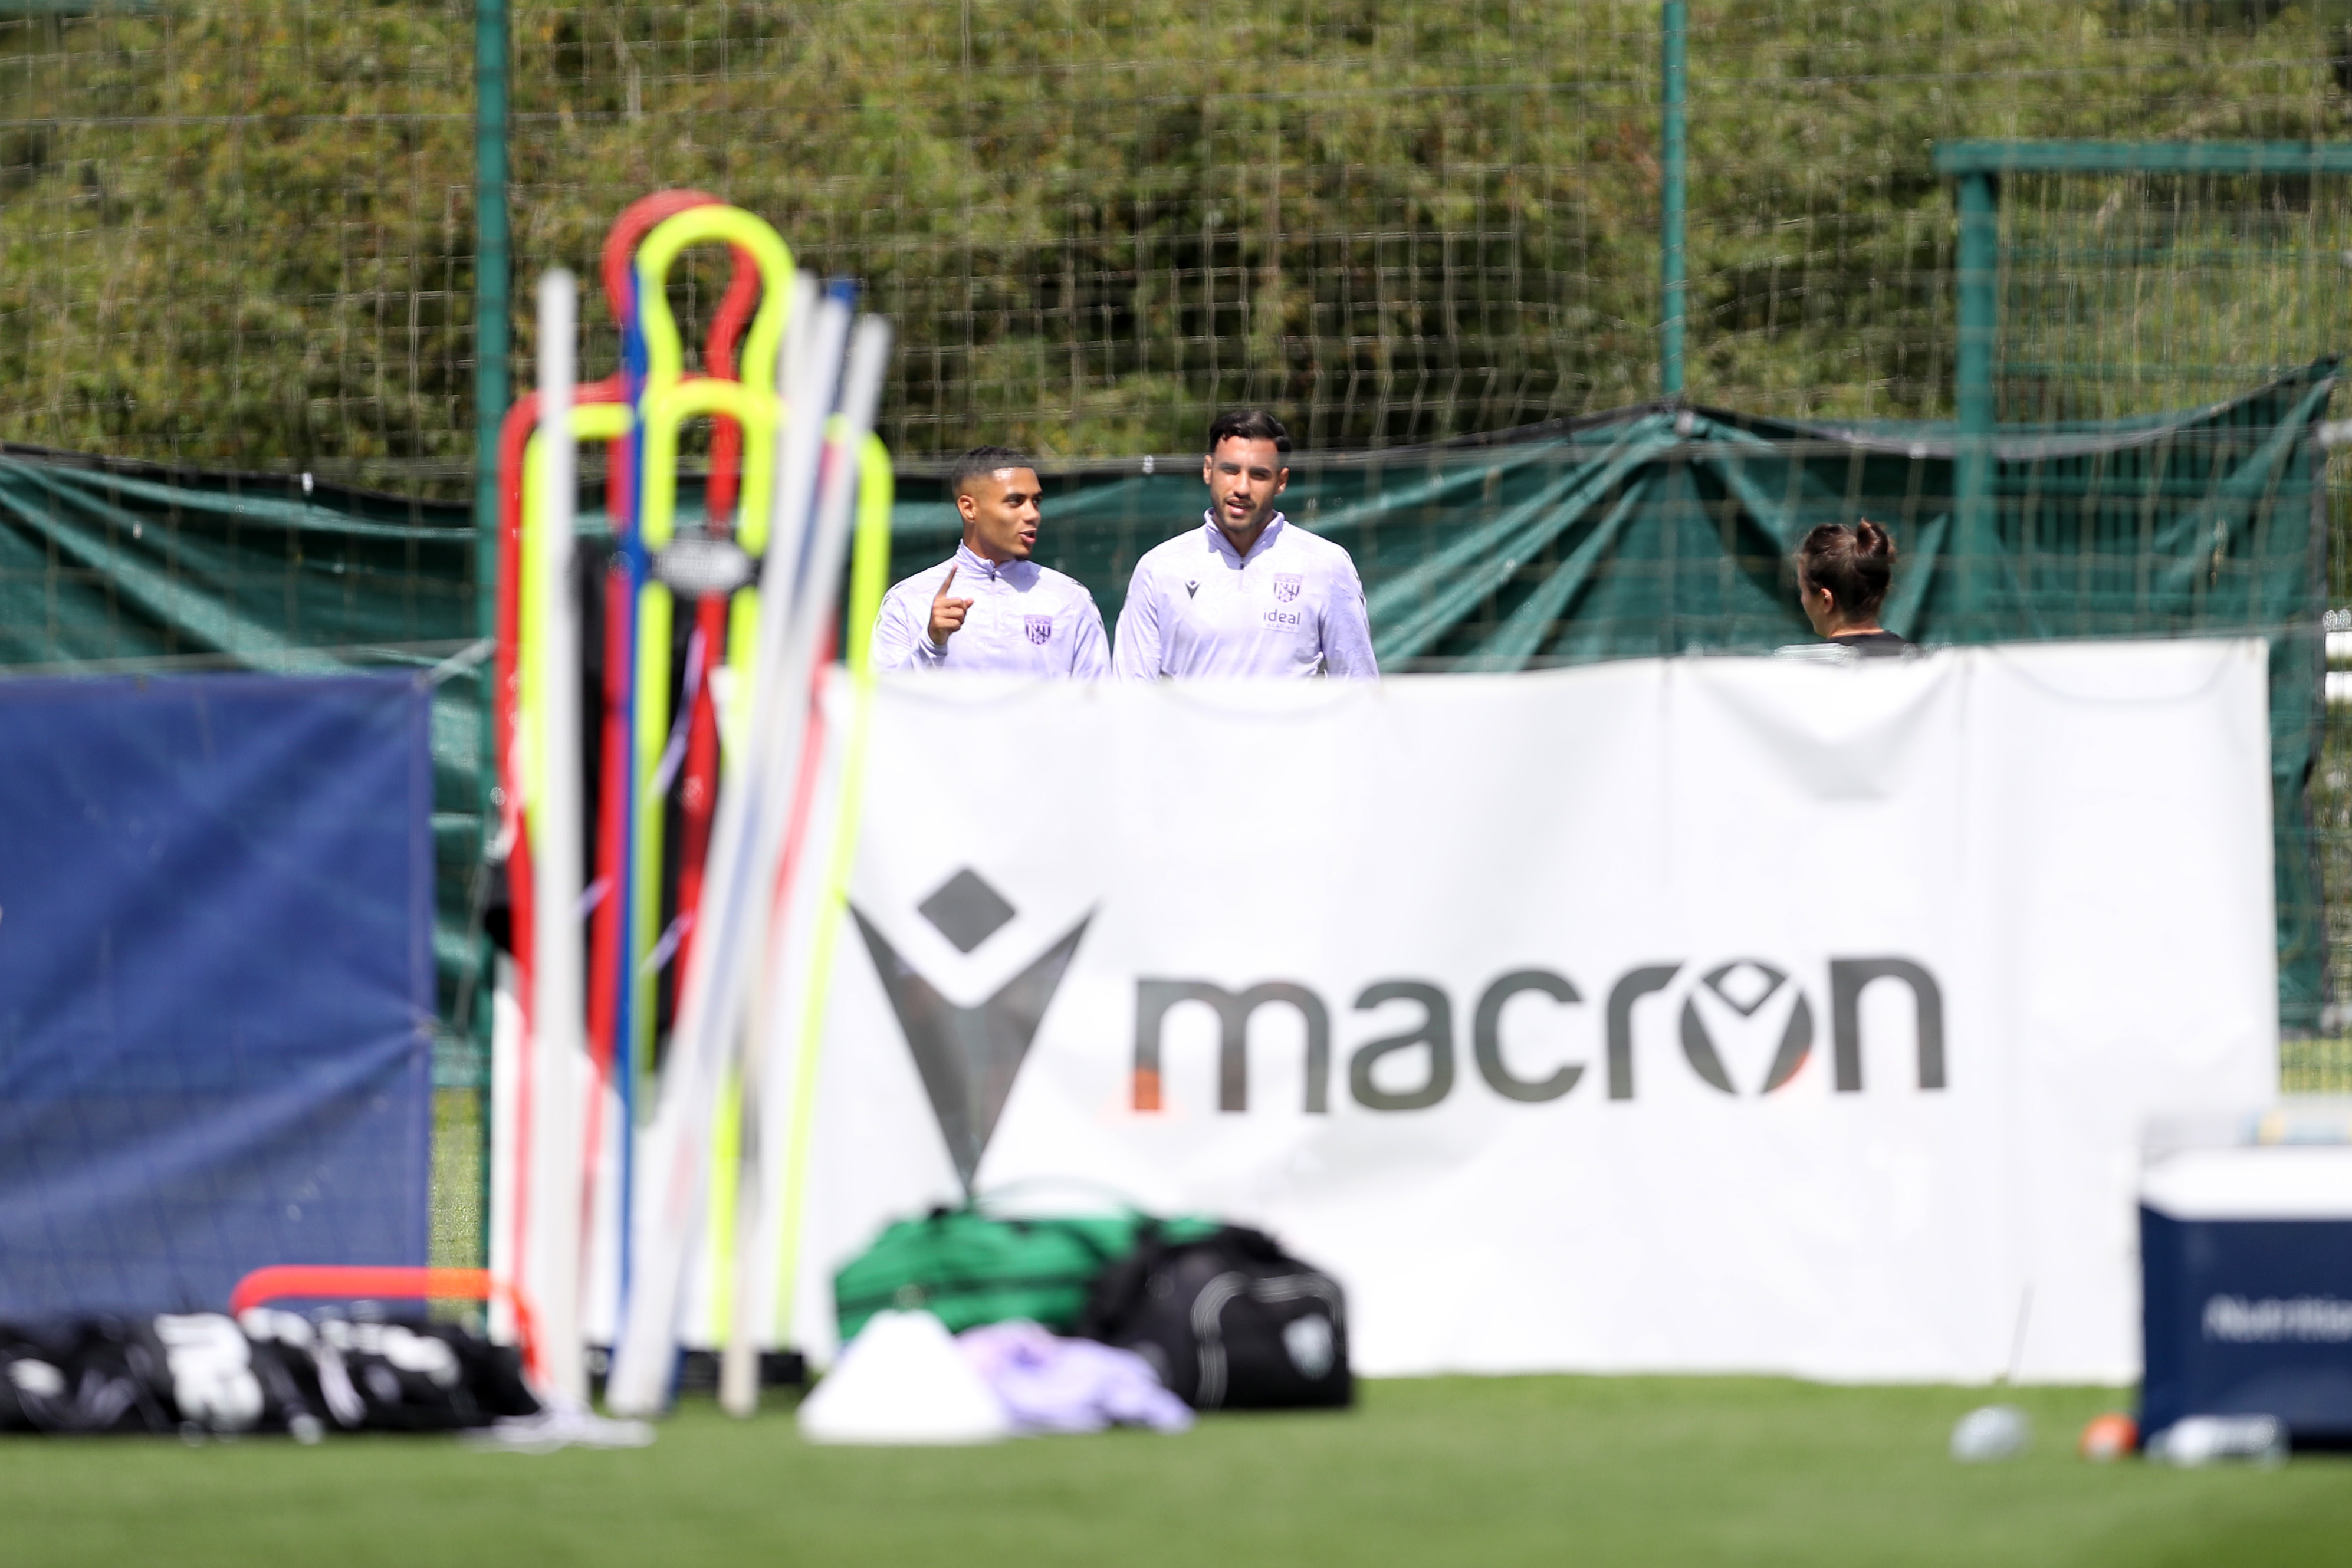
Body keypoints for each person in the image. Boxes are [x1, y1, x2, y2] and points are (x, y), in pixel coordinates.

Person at [1112, 410, 1377, 680]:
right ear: (1208, 470)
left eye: (1259, 475)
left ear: (1281, 481)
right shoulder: (1160, 568)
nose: (1242, 487)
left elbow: (1358, 688)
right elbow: (1131, 693)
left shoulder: (1326, 565)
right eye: (1230, 470)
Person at [869, 446, 1109, 676]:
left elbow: (1098, 704)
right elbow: (883, 703)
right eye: (1015, 501)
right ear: (969, 508)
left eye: (1036, 501)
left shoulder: (1070, 599)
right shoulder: (909, 600)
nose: (1032, 514)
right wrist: (931, 645)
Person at [1796, 519, 1910, 657]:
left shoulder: (1805, 673)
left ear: (1825, 600)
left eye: (1803, 590)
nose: (1802, 599)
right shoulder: (1922, 664)